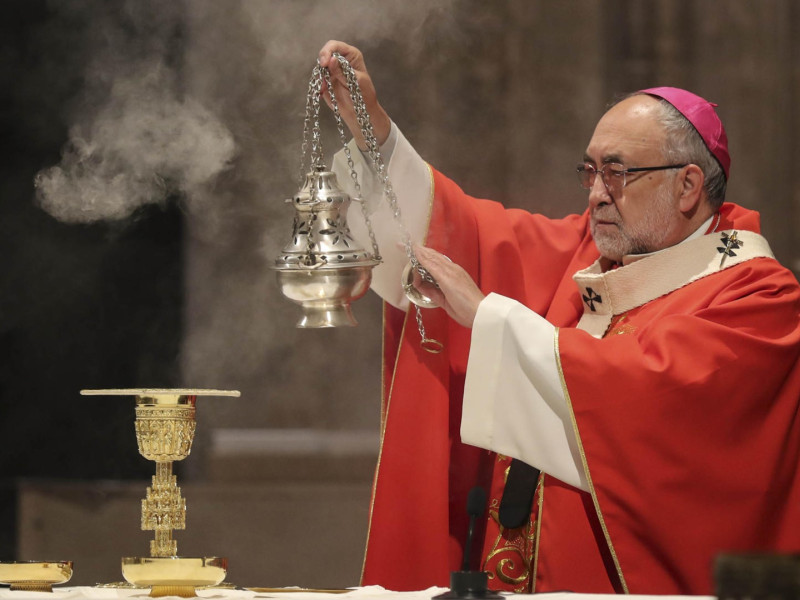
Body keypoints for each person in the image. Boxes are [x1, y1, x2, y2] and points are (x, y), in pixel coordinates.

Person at [317, 41, 800, 595]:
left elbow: (646, 397)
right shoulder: (587, 258)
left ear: (687, 186)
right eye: (589, 171)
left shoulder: (757, 297)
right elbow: (462, 229)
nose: (595, 195)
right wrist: (372, 132)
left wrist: (485, 314)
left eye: (616, 174)